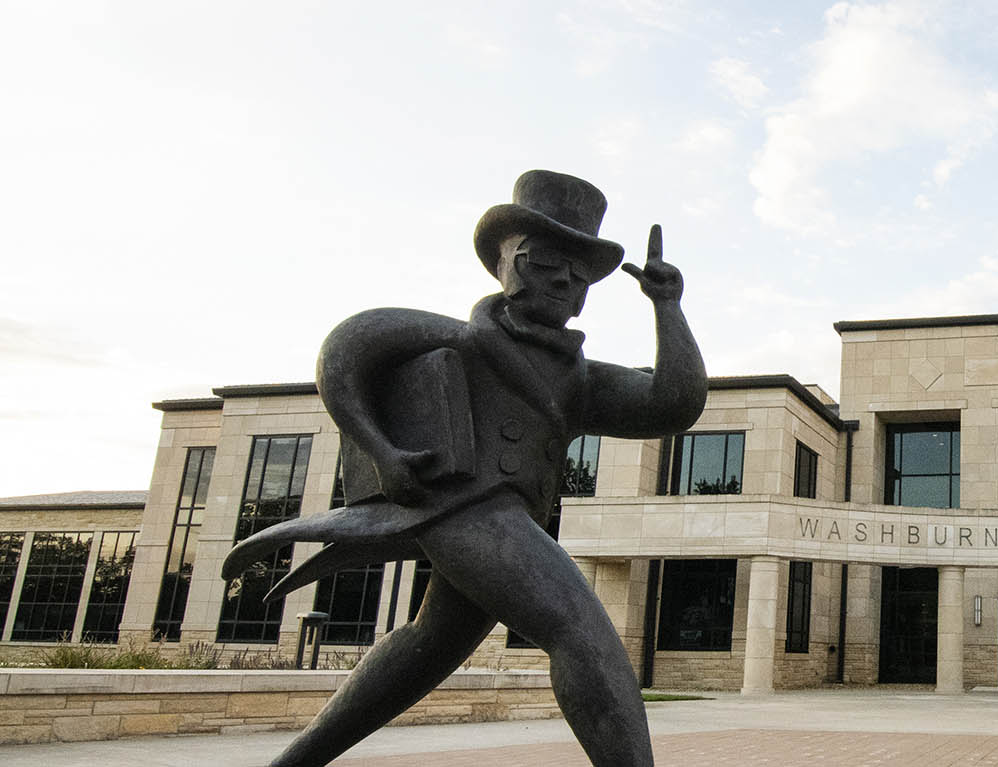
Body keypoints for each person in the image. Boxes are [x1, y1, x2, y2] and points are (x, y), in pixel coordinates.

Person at [222, 170, 705, 767]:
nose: (561, 279)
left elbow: (672, 404)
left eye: (578, 274)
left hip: (504, 522)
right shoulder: (450, 339)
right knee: (581, 632)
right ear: (502, 262)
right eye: (542, 261)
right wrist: (382, 452)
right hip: (465, 507)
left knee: (429, 647)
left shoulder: (578, 378)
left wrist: (668, 307)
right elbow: (344, 353)